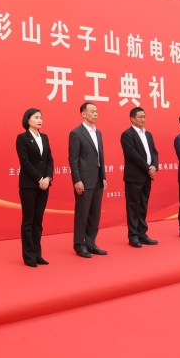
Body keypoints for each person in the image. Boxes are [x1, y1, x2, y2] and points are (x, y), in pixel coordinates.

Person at [15, 108, 55, 267]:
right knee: (28, 221)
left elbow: (49, 160)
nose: (40, 120)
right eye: (36, 117)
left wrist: (48, 178)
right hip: (29, 185)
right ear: (28, 120)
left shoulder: (44, 137)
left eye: (41, 118)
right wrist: (40, 179)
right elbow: (25, 162)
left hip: (44, 185)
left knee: (38, 221)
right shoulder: (22, 138)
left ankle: (38, 254)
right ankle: (29, 256)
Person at [68, 102, 108, 258]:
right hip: (84, 180)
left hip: (97, 179)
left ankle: (91, 243)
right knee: (82, 213)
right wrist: (77, 180)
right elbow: (73, 159)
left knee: (95, 213)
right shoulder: (76, 133)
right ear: (83, 114)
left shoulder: (98, 133)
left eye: (96, 111)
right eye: (92, 111)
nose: (95, 114)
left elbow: (100, 157)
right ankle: (79, 244)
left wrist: (103, 176)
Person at [120, 107, 159, 247]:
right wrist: (148, 168)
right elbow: (132, 154)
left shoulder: (148, 134)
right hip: (134, 177)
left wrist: (154, 166)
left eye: (144, 116)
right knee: (133, 206)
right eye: (140, 117)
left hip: (147, 176)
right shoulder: (127, 134)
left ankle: (142, 234)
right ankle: (133, 236)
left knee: (143, 205)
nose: (143, 119)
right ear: (132, 118)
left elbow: (154, 152)